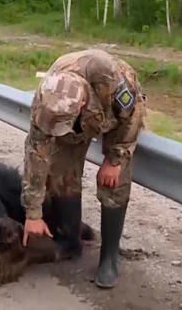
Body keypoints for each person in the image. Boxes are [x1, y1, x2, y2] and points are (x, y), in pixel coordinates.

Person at [20, 48, 147, 289]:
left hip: (113, 117)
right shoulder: (46, 99)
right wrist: (32, 213)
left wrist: (114, 159)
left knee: (113, 182)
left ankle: (108, 258)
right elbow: (36, 154)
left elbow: (132, 117)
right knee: (59, 173)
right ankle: (70, 241)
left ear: (80, 103)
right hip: (78, 122)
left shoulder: (112, 79)